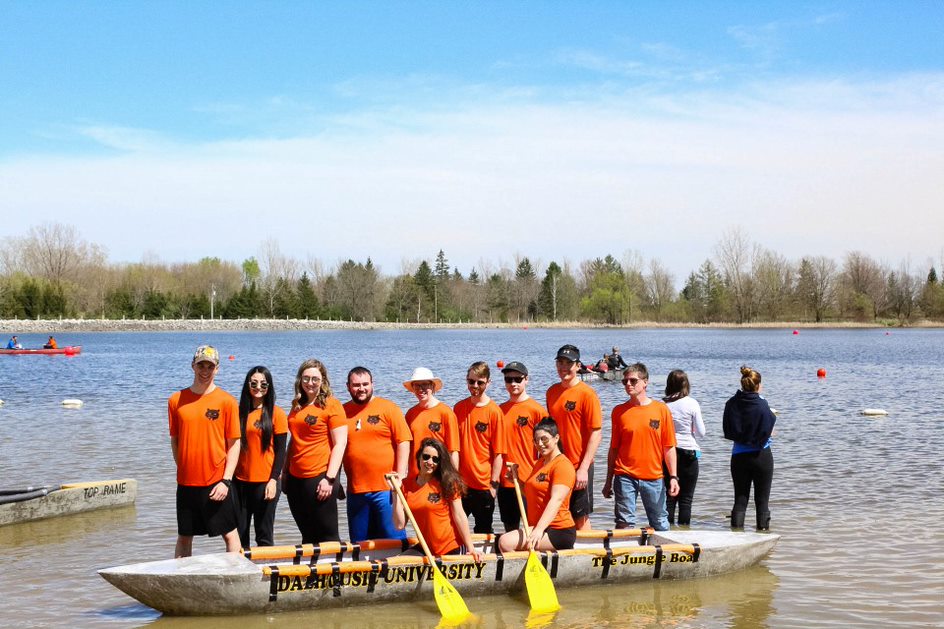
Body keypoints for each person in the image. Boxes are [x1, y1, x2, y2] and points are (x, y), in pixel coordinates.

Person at [167, 345, 241, 557]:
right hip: (187, 483)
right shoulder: (176, 400)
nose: (205, 370)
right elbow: (175, 441)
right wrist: (183, 467)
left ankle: (233, 577)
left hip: (217, 482)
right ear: (193, 366)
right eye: (201, 365)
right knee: (184, 536)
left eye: (210, 366)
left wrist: (226, 481)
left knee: (230, 534)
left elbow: (234, 444)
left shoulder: (227, 401)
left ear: (217, 368)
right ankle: (181, 578)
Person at [602, 362, 679, 531]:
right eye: (625, 381)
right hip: (624, 476)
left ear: (645, 382)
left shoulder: (661, 409)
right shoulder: (619, 411)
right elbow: (614, 448)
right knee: (624, 522)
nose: (628, 384)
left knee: (660, 522)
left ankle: (662, 554)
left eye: (633, 381)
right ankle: (625, 554)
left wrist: (673, 477)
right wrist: (608, 481)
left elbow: (669, 447)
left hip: (654, 476)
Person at [342, 366, 411, 542]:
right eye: (356, 385)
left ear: (372, 384)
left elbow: (403, 441)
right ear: (348, 387)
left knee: (394, 542)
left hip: (386, 489)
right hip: (356, 491)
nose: (361, 388)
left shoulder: (388, 408)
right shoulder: (341, 412)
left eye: (365, 384)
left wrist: (401, 475)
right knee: (360, 546)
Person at [388, 438, 484, 562]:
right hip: (426, 548)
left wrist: (471, 548)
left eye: (435, 459)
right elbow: (399, 525)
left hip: (451, 547)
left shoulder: (447, 483)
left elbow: (459, 515)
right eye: (426, 457)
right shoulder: (406, 485)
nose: (430, 462)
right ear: (419, 457)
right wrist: (395, 491)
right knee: (397, 563)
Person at [285, 359, 348, 544]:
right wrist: (284, 471)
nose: (310, 383)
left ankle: (335, 571)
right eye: (306, 378)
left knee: (328, 537)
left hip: (320, 476)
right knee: (307, 534)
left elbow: (340, 444)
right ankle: (311, 572)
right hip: (296, 478)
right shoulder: (297, 405)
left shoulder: (331, 405)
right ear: (299, 380)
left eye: (315, 379)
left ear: (323, 381)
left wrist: (329, 479)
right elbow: (294, 440)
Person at [499, 417, 577, 552]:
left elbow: (556, 500)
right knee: (502, 540)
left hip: (559, 530)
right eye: (536, 440)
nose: (540, 444)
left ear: (556, 438)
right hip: (538, 527)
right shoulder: (540, 463)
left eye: (544, 439)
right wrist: (516, 481)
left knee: (505, 543)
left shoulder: (563, 465)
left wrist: (539, 529)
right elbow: (530, 493)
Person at [546, 344, 602, 530]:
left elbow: (596, 433)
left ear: (578, 366)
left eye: (568, 363)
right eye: (560, 362)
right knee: (558, 511)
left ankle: (586, 554)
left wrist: (584, 468)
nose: (564, 368)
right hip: (558, 464)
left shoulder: (587, 394)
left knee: (580, 516)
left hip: (579, 464)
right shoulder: (551, 392)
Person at [233, 366, 287, 548]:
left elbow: (281, 452)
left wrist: (273, 480)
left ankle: (266, 573)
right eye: (254, 383)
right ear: (247, 385)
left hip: (266, 483)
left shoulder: (277, 414)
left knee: (264, 535)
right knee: (239, 536)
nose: (258, 387)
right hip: (239, 482)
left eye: (263, 384)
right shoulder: (238, 412)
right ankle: (242, 573)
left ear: (269, 387)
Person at [454, 361, 505, 534]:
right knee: (453, 527)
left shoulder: (494, 412)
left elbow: (499, 453)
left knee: (483, 531)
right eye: (471, 381)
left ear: (488, 383)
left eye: (480, 382)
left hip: (484, 485)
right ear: (466, 381)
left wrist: (494, 486)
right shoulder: (459, 408)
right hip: (461, 484)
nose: (475, 386)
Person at [723, 365, 777, 531]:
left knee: (740, 499)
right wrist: (766, 433)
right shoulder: (762, 405)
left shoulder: (731, 403)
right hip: (761, 455)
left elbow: (728, 429)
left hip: (739, 456)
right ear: (758, 385)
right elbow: (768, 427)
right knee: (762, 501)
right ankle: (763, 534)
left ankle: (737, 535)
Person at [497, 361, 546, 532]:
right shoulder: (499, 410)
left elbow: (549, 449)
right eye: (509, 379)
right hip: (505, 481)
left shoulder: (537, 411)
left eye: (518, 379)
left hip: (528, 481)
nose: (513, 384)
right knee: (510, 529)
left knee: (531, 528)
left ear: (527, 380)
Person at [663, 369, 705, 526]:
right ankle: (684, 532)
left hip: (668, 452)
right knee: (686, 499)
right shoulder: (692, 403)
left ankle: (667, 530)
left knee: (669, 496)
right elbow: (701, 432)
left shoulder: (663, 405)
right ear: (686, 384)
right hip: (689, 452)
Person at [403, 367, 459, 476]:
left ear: (433, 386)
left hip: (439, 475)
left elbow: (453, 451)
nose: (421, 389)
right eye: (417, 385)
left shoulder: (446, 413)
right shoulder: (410, 414)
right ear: (413, 388)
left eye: (425, 384)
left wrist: (454, 480)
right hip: (416, 476)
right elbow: (407, 449)